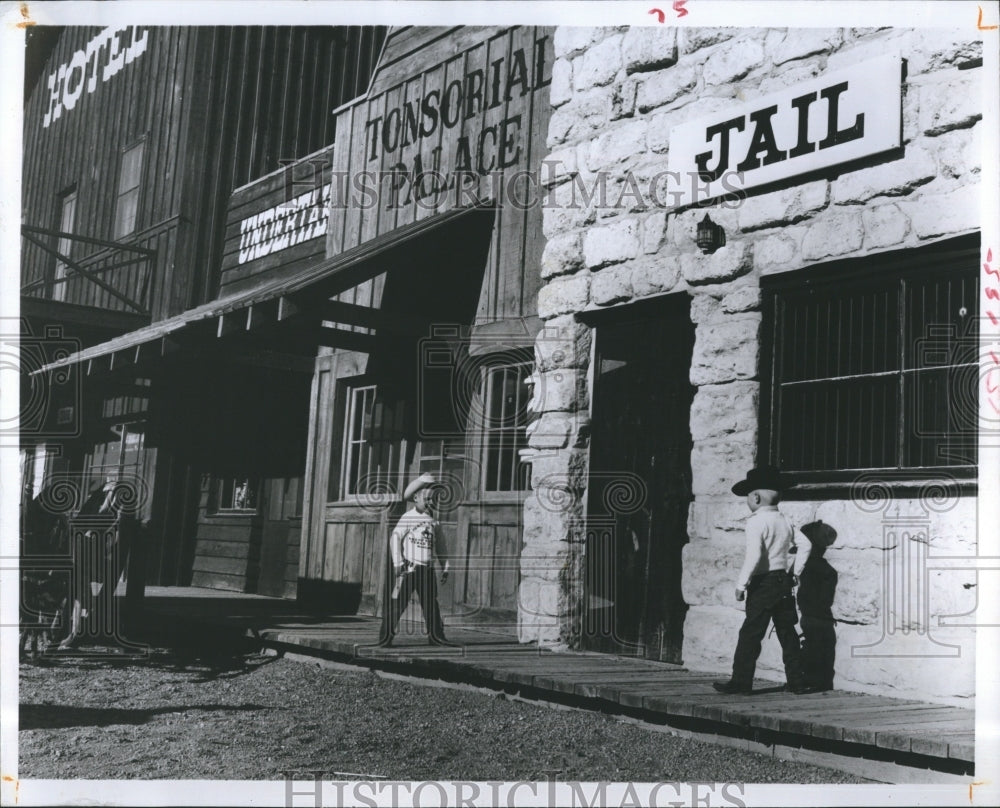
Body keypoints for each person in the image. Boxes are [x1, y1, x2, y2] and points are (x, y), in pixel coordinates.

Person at [713, 465, 813, 695]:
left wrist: (741, 584)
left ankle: (741, 681)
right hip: (783, 582)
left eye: (749, 496)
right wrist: (795, 572)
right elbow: (806, 544)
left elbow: (754, 556)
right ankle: (797, 681)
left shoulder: (756, 522)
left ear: (755, 497)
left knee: (751, 632)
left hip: (763, 584)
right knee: (787, 631)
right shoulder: (785, 521)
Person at [377, 473, 457, 648]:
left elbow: (441, 546)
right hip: (408, 568)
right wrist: (398, 563)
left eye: (433, 499)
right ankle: (386, 637)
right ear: (415, 497)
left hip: (427, 569)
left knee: (430, 604)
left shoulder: (434, 521)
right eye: (426, 498)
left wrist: (445, 566)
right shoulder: (408, 517)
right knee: (398, 602)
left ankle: (436, 636)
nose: (430, 502)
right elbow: (395, 538)